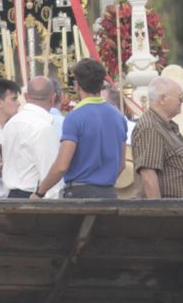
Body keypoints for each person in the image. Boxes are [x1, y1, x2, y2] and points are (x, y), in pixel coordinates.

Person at [34, 60, 129, 200]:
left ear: (77, 85)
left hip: (79, 195)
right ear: (102, 84)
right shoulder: (118, 117)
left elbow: (61, 166)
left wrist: (40, 192)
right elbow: (121, 165)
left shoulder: (75, 117)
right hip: (108, 194)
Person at [131, 77, 183, 199]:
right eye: (180, 97)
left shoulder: (165, 126)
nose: (182, 101)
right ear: (162, 99)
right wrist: (159, 212)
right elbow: (148, 175)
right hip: (170, 214)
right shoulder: (150, 127)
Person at [1, 77, 63, 199]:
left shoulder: (10, 123)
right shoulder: (44, 128)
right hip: (34, 198)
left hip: (11, 197)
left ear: (26, 96)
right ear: (53, 98)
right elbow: (50, 178)